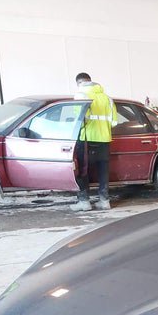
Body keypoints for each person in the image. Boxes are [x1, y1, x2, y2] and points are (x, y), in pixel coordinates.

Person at [70, 72, 117, 211]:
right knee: (103, 172)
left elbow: (78, 119)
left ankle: (84, 202)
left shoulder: (80, 95)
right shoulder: (107, 98)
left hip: (86, 139)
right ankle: (104, 201)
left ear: (79, 83)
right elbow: (114, 122)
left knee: (82, 171)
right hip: (105, 139)